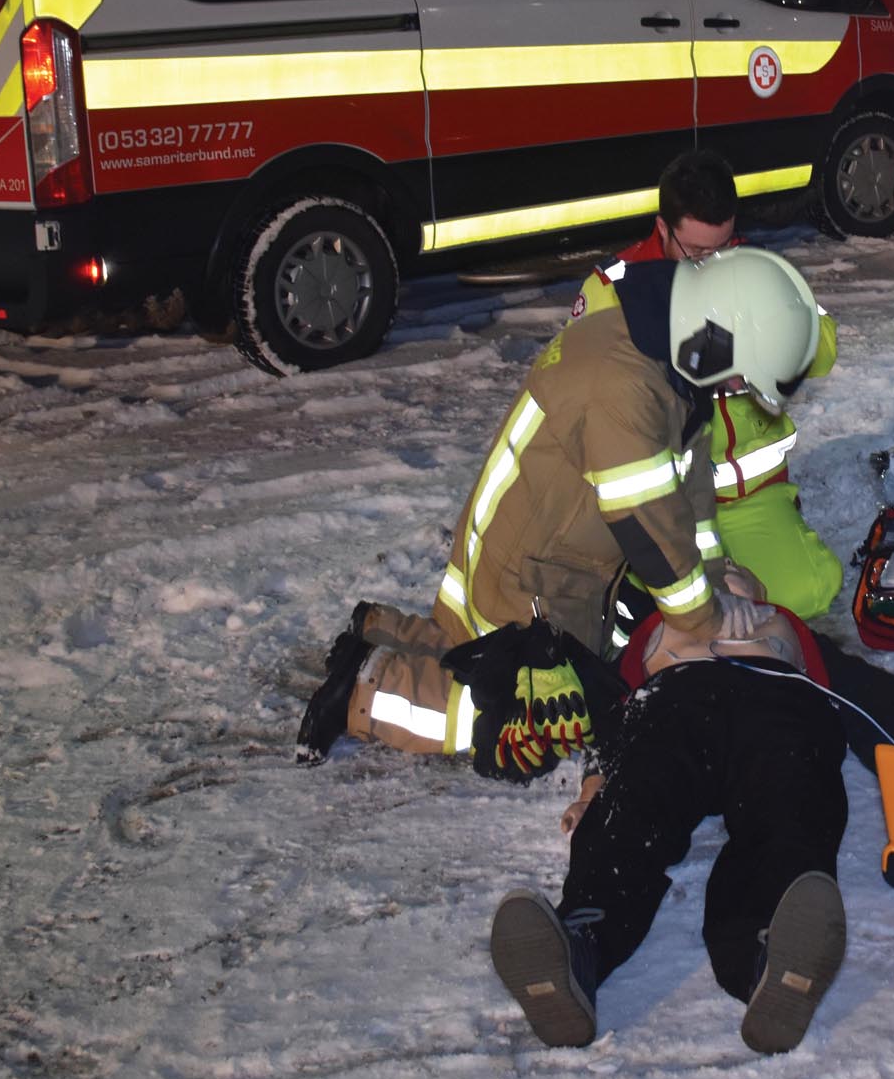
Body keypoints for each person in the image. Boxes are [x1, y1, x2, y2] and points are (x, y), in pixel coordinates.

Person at [297, 246, 826, 775]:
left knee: (481, 651)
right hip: (529, 572)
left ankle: (375, 631)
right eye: (739, 379)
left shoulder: (668, 353)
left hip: (551, 555)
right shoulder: (622, 384)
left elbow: (688, 498)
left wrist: (714, 580)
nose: (735, 392)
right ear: (715, 339)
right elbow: (645, 517)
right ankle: (368, 690)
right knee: (537, 715)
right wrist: (701, 619)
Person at [488, 606, 856, 1055]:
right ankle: (580, 948)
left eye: (742, 571)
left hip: (777, 701)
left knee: (791, 799)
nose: (730, 573)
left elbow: (859, 694)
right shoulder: (658, 622)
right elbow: (611, 719)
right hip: (676, 698)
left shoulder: (784, 619)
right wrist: (592, 791)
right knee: (636, 801)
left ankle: (771, 955)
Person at [573, 151, 845, 621]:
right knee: (669, 613)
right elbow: (581, 389)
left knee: (810, 591)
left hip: (751, 501)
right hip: (665, 506)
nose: (712, 261)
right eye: (698, 251)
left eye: (722, 245)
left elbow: (823, 349)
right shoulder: (612, 288)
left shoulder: (755, 269)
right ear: (663, 228)